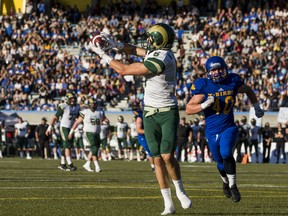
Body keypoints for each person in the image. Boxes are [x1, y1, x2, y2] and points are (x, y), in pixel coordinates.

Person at [89, 23, 192, 215]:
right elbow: (136, 50)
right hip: (149, 111)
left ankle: (180, 189)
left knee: (167, 156)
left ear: (159, 39)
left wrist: (102, 54)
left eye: (152, 36)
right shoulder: (159, 52)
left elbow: (124, 70)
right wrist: (115, 44)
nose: (149, 39)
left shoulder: (162, 58)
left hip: (167, 110)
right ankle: (167, 203)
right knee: (156, 159)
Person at [186, 56, 265, 203]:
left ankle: (233, 185)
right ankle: (225, 181)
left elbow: (247, 89)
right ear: (208, 71)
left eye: (219, 69)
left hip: (229, 126)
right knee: (219, 161)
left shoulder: (232, 80)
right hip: (211, 130)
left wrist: (256, 106)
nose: (216, 73)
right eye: (213, 70)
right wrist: (203, 105)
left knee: (226, 153)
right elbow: (189, 109)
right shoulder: (203, 85)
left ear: (225, 68)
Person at [46, 92, 80, 171]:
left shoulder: (77, 107)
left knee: (66, 146)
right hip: (64, 127)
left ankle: (62, 164)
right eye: (71, 99)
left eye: (74, 99)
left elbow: (78, 118)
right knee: (67, 145)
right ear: (67, 99)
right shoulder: (64, 106)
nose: (73, 100)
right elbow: (55, 117)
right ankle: (70, 164)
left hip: (71, 128)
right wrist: (49, 127)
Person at [68, 98, 103, 172]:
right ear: (89, 104)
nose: (94, 105)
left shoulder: (99, 113)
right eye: (92, 103)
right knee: (94, 148)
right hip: (88, 132)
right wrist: (71, 131)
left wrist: (106, 121)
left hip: (97, 133)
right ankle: (97, 166)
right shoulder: (85, 112)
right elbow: (77, 122)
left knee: (95, 149)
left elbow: (103, 120)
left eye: (94, 103)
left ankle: (87, 164)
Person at [134, 101, 155, 172]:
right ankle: (153, 167)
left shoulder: (153, 114)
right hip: (143, 136)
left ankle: (156, 166)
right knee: (150, 150)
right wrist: (149, 132)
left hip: (151, 135)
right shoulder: (140, 116)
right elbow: (138, 129)